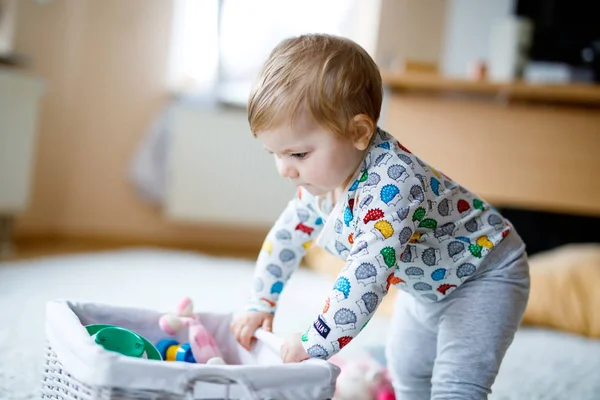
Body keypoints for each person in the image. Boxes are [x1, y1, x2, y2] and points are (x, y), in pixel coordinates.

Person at [230, 33, 530, 399]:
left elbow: (364, 277)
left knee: (457, 384)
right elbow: (287, 236)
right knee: (407, 367)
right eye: (274, 155)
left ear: (358, 132)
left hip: (485, 272)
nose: (285, 170)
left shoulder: (394, 184)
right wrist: (261, 302)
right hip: (426, 286)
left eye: (298, 154)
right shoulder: (324, 185)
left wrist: (315, 341)